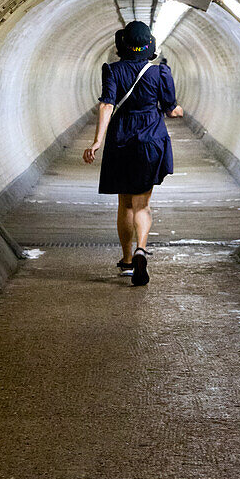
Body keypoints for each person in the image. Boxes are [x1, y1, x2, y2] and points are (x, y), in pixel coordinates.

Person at [83, 20, 183, 286]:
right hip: (150, 139)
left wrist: (97, 141)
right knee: (143, 204)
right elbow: (171, 108)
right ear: (149, 45)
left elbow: (107, 105)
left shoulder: (112, 70)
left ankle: (127, 261)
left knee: (124, 203)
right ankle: (141, 248)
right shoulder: (160, 72)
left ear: (122, 45)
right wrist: (177, 110)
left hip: (121, 140)